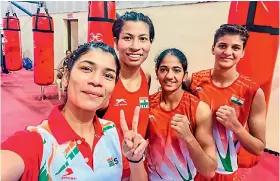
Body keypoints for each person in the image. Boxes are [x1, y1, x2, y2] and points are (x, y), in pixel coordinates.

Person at [1, 42, 148, 181]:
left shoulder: (112, 132)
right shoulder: (38, 141)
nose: (96, 81)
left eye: (108, 75)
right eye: (86, 69)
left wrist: (135, 160)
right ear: (66, 77)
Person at [185, 24, 266, 181]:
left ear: (242, 53)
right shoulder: (193, 82)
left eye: (235, 47)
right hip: (191, 166)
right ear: (213, 48)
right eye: (222, 46)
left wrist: (236, 126)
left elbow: (258, 148)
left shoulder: (252, 92)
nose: (228, 52)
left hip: (224, 171)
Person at [146, 48, 217, 180]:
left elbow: (209, 171)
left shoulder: (199, 109)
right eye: (163, 69)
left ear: (185, 75)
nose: (169, 75)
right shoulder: (147, 105)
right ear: (157, 73)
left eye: (176, 70)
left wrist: (188, 137)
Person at [97, 11, 154, 139]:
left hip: (137, 159)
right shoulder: (103, 81)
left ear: (150, 43)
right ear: (116, 42)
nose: (135, 46)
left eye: (143, 38)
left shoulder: (146, 77)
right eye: (127, 38)